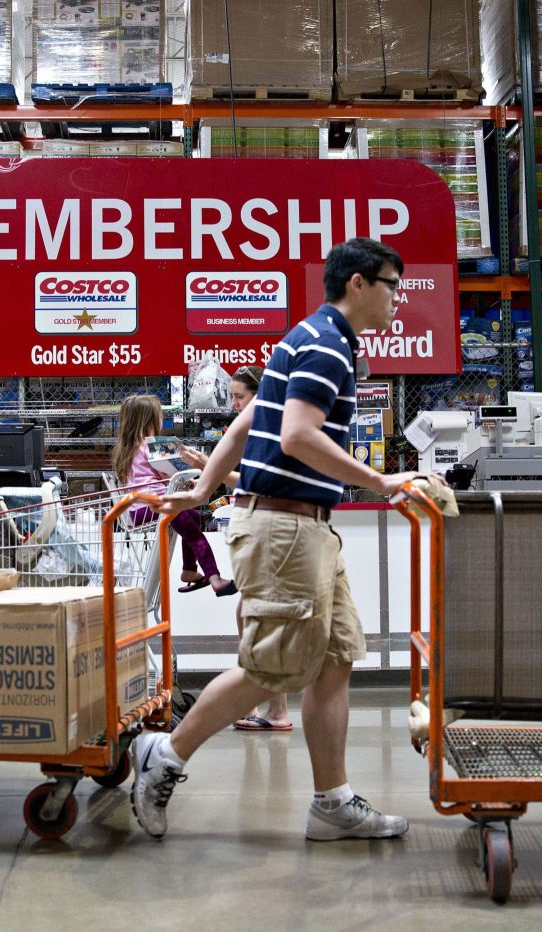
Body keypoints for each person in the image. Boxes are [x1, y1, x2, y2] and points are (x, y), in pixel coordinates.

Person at [130, 237, 423, 842]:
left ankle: (332, 802)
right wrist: (379, 480)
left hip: (307, 526)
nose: (399, 297)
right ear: (359, 284)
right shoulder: (327, 348)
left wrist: (203, 487)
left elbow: (246, 422)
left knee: (337, 657)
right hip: (287, 527)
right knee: (274, 667)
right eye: (392, 284)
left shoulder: (308, 337)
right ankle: (166, 752)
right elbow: (294, 435)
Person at [180, 366, 291, 732]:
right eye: (231, 396)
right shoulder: (257, 428)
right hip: (262, 531)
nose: (233, 403)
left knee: (256, 619)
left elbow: (253, 483)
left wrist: (209, 469)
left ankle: (275, 711)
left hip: (270, 531)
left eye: (239, 396)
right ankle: (270, 707)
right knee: (251, 617)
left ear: (258, 394)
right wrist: (209, 469)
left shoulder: (268, 428)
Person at [114, 393, 236, 597]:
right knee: (193, 529)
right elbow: (168, 472)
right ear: (151, 419)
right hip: (156, 504)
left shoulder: (127, 448)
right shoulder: (153, 445)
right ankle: (214, 577)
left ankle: (189, 570)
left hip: (139, 509)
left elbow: (151, 477)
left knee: (193, 518)